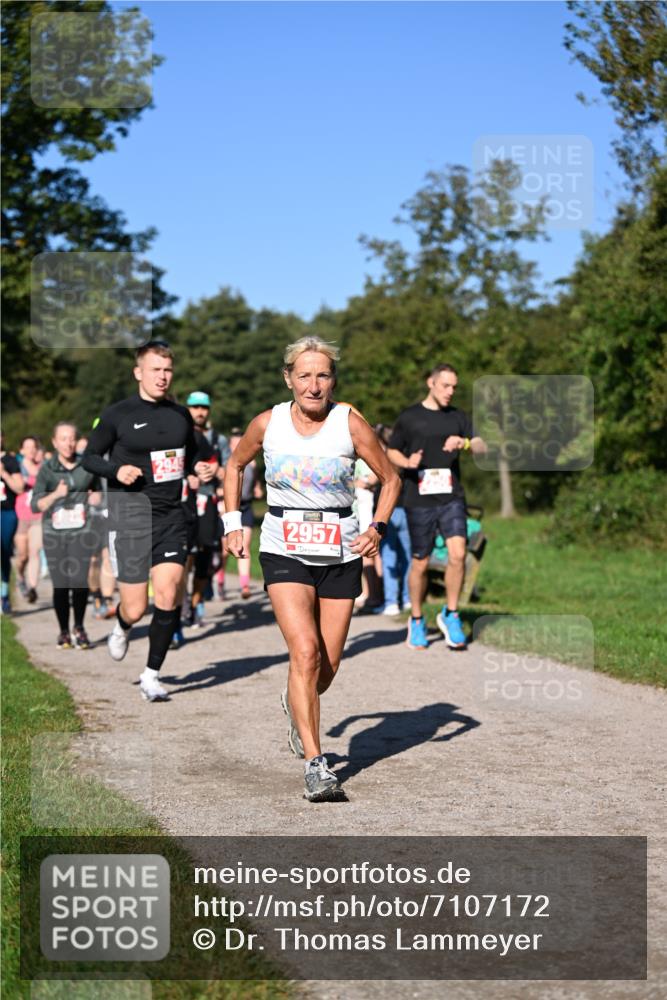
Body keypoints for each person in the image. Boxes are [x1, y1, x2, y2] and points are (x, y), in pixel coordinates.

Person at [225, 336, 400, 802]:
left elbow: (391, 477)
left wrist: (378, 527)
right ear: (289, 379)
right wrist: (232, 523)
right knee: (304, 651)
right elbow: (235, 464)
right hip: (284, 547)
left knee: (326, 665)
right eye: (304, 375)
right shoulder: (268, 423)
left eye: (322, 375)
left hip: (340, 551)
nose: (314, 384)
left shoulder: (350, 424)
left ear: (333, 381)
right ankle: (315, 764)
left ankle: (295, 701)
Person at [82, 340, 211, 701]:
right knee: (137, 607)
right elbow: (89, 458)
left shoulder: (181, 415)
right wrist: (115, 469)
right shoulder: (117, 414)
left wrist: (198, 468)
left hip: (171, 516)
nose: (163, 377)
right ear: (139, 372)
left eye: (168, 370)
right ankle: (123, 626)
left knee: (169, 594)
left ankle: (152, 675)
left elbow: (191, 459)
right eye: (156, 370)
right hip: (129, 517)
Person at [387, 363, 486, 651]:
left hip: (452, 496)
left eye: (455, 387)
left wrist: (465, 443)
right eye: (446, 385)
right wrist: (407, 463)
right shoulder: (410, 417)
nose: (450, 391)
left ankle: (451, 613)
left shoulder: (457, 417)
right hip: (419, 499)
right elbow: (391, 449)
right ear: (431, 383)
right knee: (421, 561)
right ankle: (416, 619)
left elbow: (482, 446)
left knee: (458, 555)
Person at [31, 423, 101, 648]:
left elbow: (98, 488)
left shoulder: (86, 464)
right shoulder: (47, 469)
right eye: (63, 439)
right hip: (54, 533)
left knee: (80, 582)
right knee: (61, 584)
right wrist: (55, 495)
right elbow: (35, 505)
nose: (68, 443)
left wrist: (96, 496)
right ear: (54, 442)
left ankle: (79, 627)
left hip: (82, 530)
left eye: (71, 438)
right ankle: (63, 631)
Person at [176, 391, 222, 640]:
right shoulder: (180, 434)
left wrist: (215, 471)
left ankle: (194, 605)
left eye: (203, 407)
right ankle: (180, 609)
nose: (199, 412)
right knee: (184, 560)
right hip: (183, 505)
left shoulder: (214, 439)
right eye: (194, 408)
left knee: (204, 560)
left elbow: (224, 467)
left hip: (209, 504)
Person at [372, 424, 411, 616]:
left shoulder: (383, 458)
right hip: (407, 510)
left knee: (388, 557)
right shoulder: (403, 457)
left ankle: (391, 602)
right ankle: (407, 599)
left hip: (389, 511)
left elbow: (375, 482)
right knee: (407, 558)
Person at [221, 427, 263, 600]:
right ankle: (220, 580)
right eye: (235, 443)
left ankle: (245, 585)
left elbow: (255, 483)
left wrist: (257, 489)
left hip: (245, 506)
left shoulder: (251, 463)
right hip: (226, 509)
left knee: (244, 545)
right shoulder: (226, 463)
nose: (239, 445)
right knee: (224, 550)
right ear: (230, 445)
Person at [15, 435, 43, 604]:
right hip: (20, 516)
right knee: (23, 556)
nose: (31, 450)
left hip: (38, 516)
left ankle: (32, 588)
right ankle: (19, 576)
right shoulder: (16, 467)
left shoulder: (44, 467)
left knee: (35, 552)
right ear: (22, 450)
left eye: (34, 446)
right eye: (27, 447)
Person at [1, 432, 25, 614]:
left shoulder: (10, 461)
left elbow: (19, 487)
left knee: (4, 554)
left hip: (6, 513)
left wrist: (3, 473)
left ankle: (4, 596)